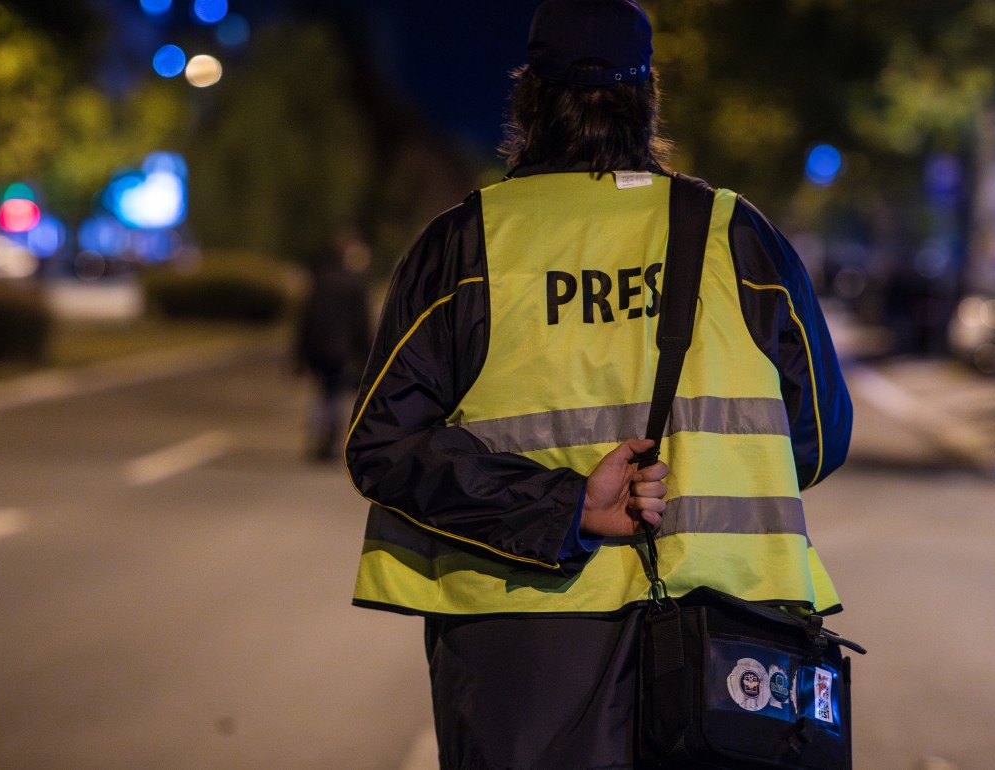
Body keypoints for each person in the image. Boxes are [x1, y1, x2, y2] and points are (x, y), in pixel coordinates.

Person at [344, 1, 852, 767]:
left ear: (529, 100)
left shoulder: (465, 247)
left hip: (523, 653)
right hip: (731, 645)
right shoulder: (739, 237)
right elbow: (817, 438)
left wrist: (564, 508)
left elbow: (382, 447)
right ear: (647, 99)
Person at [293, 232, 374, 461]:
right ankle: (329, 438)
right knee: (335, 393)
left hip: (319, 347)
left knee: (322, 392)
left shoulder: (321, 280)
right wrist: (366, 353)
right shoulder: (355, 283)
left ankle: (318, 435)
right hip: (342, 349)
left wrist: (300, 353)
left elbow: (307, 318)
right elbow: (361, 322)